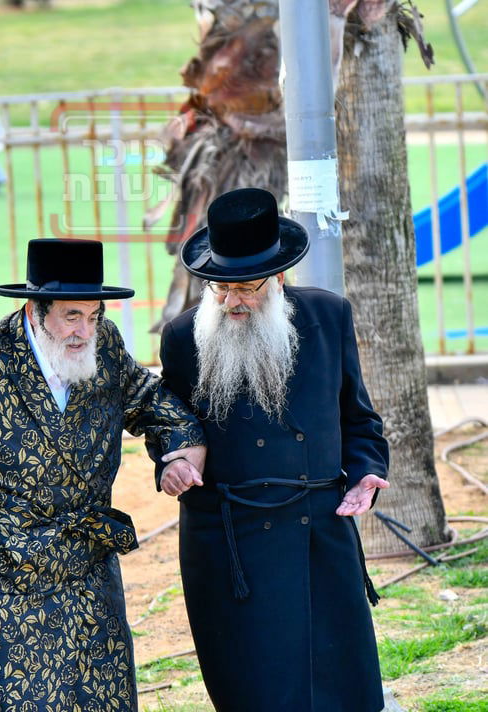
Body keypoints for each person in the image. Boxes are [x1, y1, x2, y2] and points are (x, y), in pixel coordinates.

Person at [0, 237, 206, 712]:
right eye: (72, 316)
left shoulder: (105, 345)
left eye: (93, 315)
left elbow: (152, 401)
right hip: (3, 574)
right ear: (35, 309)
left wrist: (176, 454)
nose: (85, 330)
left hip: (87, 568)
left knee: (105, 700)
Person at [158, 188, 390, 712]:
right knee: (257, 691)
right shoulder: (181, 338)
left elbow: (360, 421)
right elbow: (167, 423)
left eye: (244, 287)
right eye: (218, 286)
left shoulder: (329, 317)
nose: (228, 300)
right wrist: (173, 458)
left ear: (278, 277)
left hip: (319, 535)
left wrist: (366, 473)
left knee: (340, 689)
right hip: (231, 542)